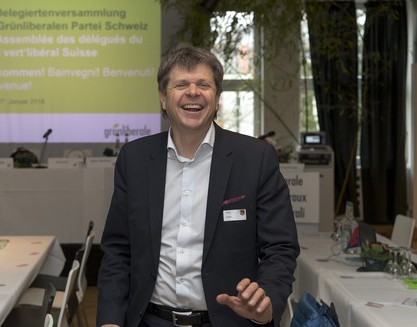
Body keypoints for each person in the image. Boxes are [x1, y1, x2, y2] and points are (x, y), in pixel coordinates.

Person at [96, 46, 300, 327]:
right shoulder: (135, 159)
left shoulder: (255, 159)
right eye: (181, 84)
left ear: (216, 100)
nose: (193, 92)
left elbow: (280, 247)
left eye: (204, 85)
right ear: (163, 99)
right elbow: (118, 250)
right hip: (150, 321)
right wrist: (110, 321)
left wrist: (266, 304)